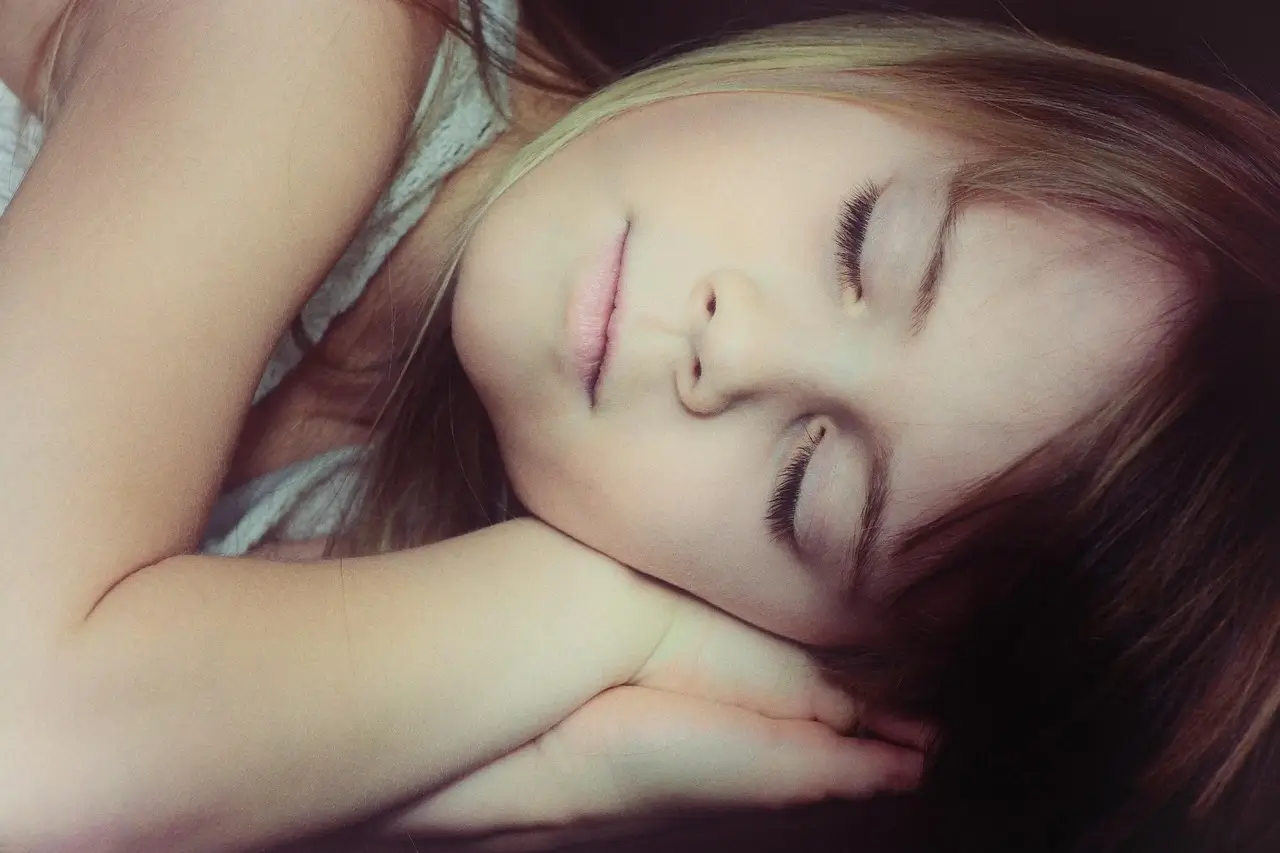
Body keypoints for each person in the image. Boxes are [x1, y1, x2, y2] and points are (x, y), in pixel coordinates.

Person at [0, 3, 1276, 853]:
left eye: (805, 492)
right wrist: (607, 616)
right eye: (863, 240)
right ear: (890, 66)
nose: (735, 349)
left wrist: (558, 769)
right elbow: (33, 742)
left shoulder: (371, 544)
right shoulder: (311, 41)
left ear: (790, 639)